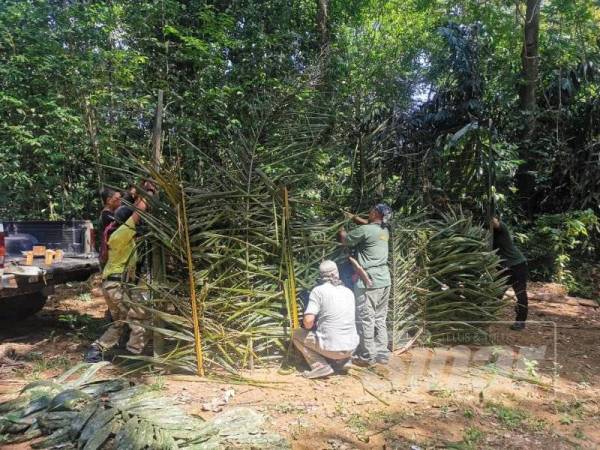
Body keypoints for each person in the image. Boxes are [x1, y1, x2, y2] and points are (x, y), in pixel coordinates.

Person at [85, 181, 157, 363]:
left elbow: (130, 208)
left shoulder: (112, 232)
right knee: (140, 318)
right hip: (118, 285)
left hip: (111, 284)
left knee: (120, 322)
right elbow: (138, 212)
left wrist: (137, 191)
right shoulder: (122, 233)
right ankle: (132, 355)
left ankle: (96, 349)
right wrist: (148, 192)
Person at [339, 203, 392, 366]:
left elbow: (346, 239)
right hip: (384, 279)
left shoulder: (367, 231)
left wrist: (341, 227)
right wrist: (354, 218)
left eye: (371, 211)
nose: (369, 212)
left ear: (376, 213)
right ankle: (382, 353)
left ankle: (367, 356)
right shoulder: (384, 231)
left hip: (369, 280)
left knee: (365, 318)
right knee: (380, 318)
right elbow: (369, 227)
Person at [292, 260, 359, 379]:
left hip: (332, 348)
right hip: (351, 347)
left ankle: (320, 366)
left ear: (321, 275)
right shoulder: (349, 292)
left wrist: (310, 325)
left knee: (296, 334)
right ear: (337, 273)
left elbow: (308, 322)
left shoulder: (318, 291)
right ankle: (343, 361)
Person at [492, 217, 529, 330]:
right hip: (503, 268)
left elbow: (494, 222)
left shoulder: (502, 227)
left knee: (520, 293)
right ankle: (487, 316)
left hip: (517, 265)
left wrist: (488, 214)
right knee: (496, 292)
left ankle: (520, 322)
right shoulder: (488, 235)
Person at [98, 188, 122, 262]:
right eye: (117, 198)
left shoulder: (110, 214)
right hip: (111, 258)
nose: (120, 201)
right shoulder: (107, 216)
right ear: (109, 200)